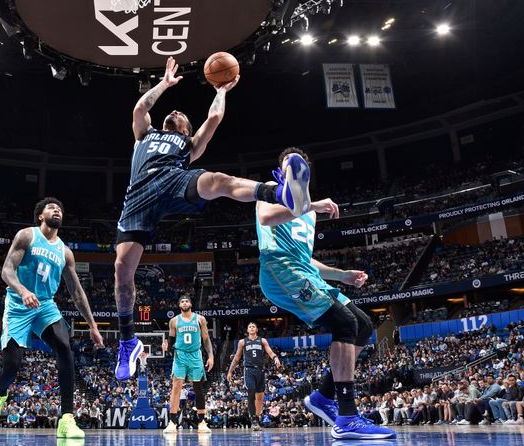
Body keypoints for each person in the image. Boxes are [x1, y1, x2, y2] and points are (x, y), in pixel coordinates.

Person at [114, 57, 312, 379]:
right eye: (173, 112)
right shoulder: (144, 134)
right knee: (122, 270)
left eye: (181, 115)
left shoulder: (187, 144)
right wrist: (164, 83)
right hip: (139, 196)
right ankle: (127, 342)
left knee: (218, 181)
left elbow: (215, 116)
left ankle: (281, 193)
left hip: (174, 179)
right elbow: (139, 109)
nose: (176, 111)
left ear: (186, 130)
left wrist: (221, 89)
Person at [256, 147, 395, 440]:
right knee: (343, 323)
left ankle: (323, 396)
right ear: (281, 173)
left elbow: (308, 261)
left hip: (302, 271)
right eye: (288, 166)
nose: (292, 170)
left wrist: (341, 275)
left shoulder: (309, 215)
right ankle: (346, 415)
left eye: (298, 167)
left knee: (363, 326)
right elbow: (267, 217)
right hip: (280, 271)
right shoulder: (270, 192)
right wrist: (311, 205)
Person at [0, 197, 104, 439]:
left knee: (65, 347)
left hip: (46, 306)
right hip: (19, 304)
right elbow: (6, 270)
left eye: (59, 208)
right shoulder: (26, 236)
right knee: (12, 364)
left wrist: (92, 325)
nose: (57, 209)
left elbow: (77, 293)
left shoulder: (65, 252)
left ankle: (67, 419)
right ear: (40, 216)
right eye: (51, 207)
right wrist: (23, 290)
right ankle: (0, 393)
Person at [161, 295, 214, 434]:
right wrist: (167, 347)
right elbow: (171, 339)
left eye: (187, 301)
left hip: (195, 355)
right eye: (182, 301)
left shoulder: (200, 319)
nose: (184, 303)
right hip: (180, 355)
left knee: (198, 388)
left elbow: (206, 339)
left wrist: (211, 356)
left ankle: (202, 421)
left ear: (191, 303)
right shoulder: (174, 321)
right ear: (179, 305)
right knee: (176, 386)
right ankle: (172, 422)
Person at [226, 321, 282, 430]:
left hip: (260, 371)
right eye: (249, 326)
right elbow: (237, 358)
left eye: (253, 327)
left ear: (256, 329)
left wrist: (275, 358)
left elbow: (270, 352)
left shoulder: (262, 341)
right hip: (249, 370)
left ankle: (256, 417)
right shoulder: (242, 342)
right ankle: (253, 420)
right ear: (247, 330)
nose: (251, 328)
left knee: (260, 397)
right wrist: (230, 371)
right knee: (251, 393)